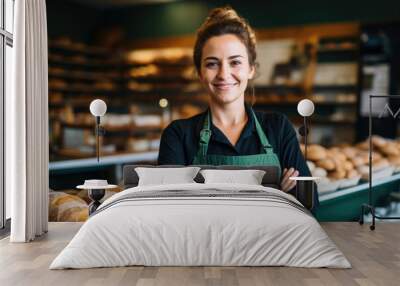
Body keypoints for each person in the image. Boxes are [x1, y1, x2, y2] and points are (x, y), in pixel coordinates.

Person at [157, 6, 318, 209]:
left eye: (235, 62)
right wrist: (277, 196)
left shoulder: (277, 127)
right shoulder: (178, 135)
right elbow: (169, 209)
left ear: (251, 69)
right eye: (212, 64)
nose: (224, 74)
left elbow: (311, 200)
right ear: (199, 73)